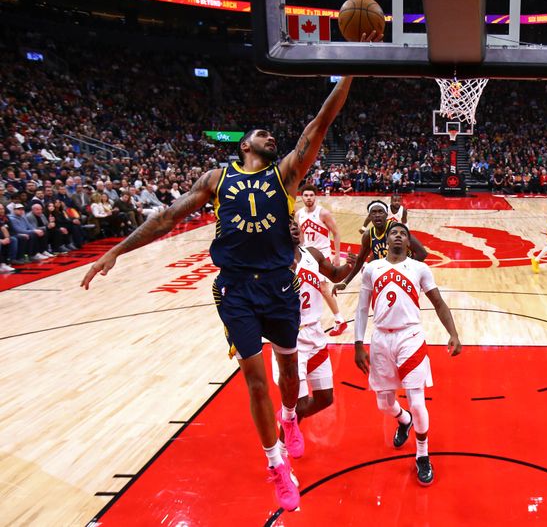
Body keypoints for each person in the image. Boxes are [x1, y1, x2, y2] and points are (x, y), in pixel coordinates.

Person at [81, 68, 368, 511]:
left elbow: (319, 124)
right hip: (235, 291)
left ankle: (290, 417)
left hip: (280, 288)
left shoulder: (288, 175)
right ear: (243, 145)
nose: (271, 138)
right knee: (256, 382)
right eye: (263, 134)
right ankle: (277, 466)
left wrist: (347, 75)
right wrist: (116, 251)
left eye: (274, 136)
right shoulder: (216, 180)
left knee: (289, 377)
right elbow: (167, 217)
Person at [353, 223, 461, 485]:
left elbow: (438, 302)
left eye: (403, 233)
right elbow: (361, 307)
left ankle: (422, 455)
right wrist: (358, 343)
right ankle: (404, 420)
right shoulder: (372, 268)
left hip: (410, 336)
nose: (398, 235)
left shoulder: (419, 268)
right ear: (386, 240)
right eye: (394, 233)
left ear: (409, 242)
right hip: (380, 338)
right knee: (384, 404)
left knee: (417, 401)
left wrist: (454, 333)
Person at [271, 221, 357, 436]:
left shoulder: (312, 254)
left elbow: (335, 275)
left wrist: (349, 266)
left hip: (315, 333)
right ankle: (281, 451)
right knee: (297, 405)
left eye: (294, 224)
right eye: (287, 224)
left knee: (325, 398)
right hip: (292, 337)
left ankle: (286, 418)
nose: (292, 227)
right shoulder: (273, 261)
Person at [334, 201, 427, 295]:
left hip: (404, 276)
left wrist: (408, 271)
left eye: (380, 212)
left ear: (386, 215)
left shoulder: (397, 229)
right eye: (373, 212)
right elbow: (360, 260)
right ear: (369, 217)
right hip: (386, 276)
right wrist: (345, 282)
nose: (377, 215)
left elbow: (422, 253)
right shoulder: (368, 235)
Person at [295, 184, 348, 336]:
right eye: (306, 195)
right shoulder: (299, 214)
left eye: (311, 195)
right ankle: (306, 319)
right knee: (304, 286)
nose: (309, 198)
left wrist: (337, 256)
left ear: (315, 196)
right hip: (307, 255)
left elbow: (336, 233)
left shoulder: (323, 213)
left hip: (323, 254)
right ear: (302, 197)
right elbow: (300, 235)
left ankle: (340, 320)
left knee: (323, 288)